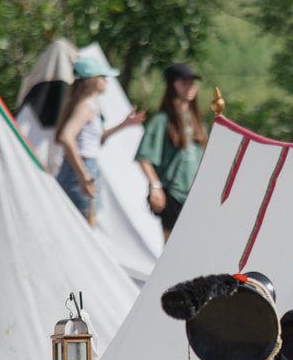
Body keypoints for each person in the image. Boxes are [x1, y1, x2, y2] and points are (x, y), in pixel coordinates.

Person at [54, 56, 145, 228]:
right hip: (80, 170)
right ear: (93, 80)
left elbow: (96, 139)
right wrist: (84, 175)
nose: (106, 81)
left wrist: (125, 124)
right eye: (103, 77)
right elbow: (66, 137)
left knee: (86, 229)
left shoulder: (87, 105)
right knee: (86, 231)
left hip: (83, 169)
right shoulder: (85, 107)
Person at [136, 62, 207, 240]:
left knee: (193, 244)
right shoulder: (162, 120)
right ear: (172, 87)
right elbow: (144, 158)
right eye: (183, 83)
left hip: (194, 192)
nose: (189, 87)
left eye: (192, 83)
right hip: (173, 191)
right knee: (172, 246)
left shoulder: (197, 120)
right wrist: (155, 187)